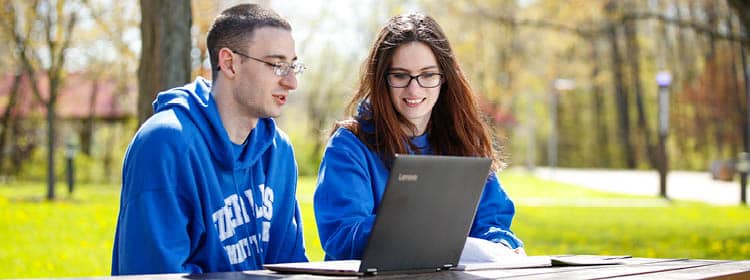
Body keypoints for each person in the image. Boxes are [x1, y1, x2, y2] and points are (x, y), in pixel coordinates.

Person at [112, 4, 308, 275]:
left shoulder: (279, 151)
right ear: (229, 63)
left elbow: (290, 266)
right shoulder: (165, 144)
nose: (291, 82)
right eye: (276, 65)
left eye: (293, 66)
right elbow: (155, 273)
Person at [313, 12, 525, 261]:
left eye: (427, 75)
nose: (414, 89)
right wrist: (424, 230)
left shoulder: (463, 139)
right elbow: (342, 236)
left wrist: (502, 245)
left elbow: (493, 221)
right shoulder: (350, 146)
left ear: (444, 78)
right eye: (400, 75)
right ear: (382, 79)